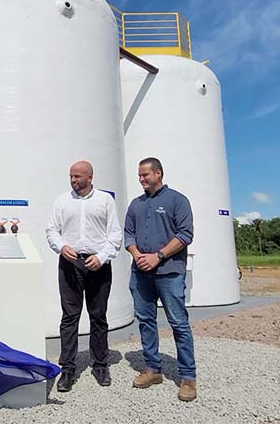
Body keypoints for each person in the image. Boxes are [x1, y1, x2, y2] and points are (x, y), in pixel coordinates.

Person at [124, 157, 197, 402]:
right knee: (145, 320)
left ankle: (187, 376)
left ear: (158, 173)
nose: (141, 179)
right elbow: (129, 234)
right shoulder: (135, 204)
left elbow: (185, 234)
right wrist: (137, 255)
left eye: (145, 175)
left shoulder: (177, 200)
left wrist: (158, 256)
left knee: (178, 323)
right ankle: (153, 369)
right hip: (140, 273)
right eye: (139, 175)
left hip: (170, 272)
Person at [45, 161, 122, 392]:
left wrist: (102, 256)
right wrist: (60, 247)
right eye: (71, 176)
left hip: (99, 264)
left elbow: (115, 234)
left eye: (77, 176)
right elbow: (51, 230)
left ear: (90, 176)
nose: (73, 180)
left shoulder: (105, 200)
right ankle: (67, 368)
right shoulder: (62, 201)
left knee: (98, 316)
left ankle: (100, 365)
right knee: (69, 317)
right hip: (70, 263)